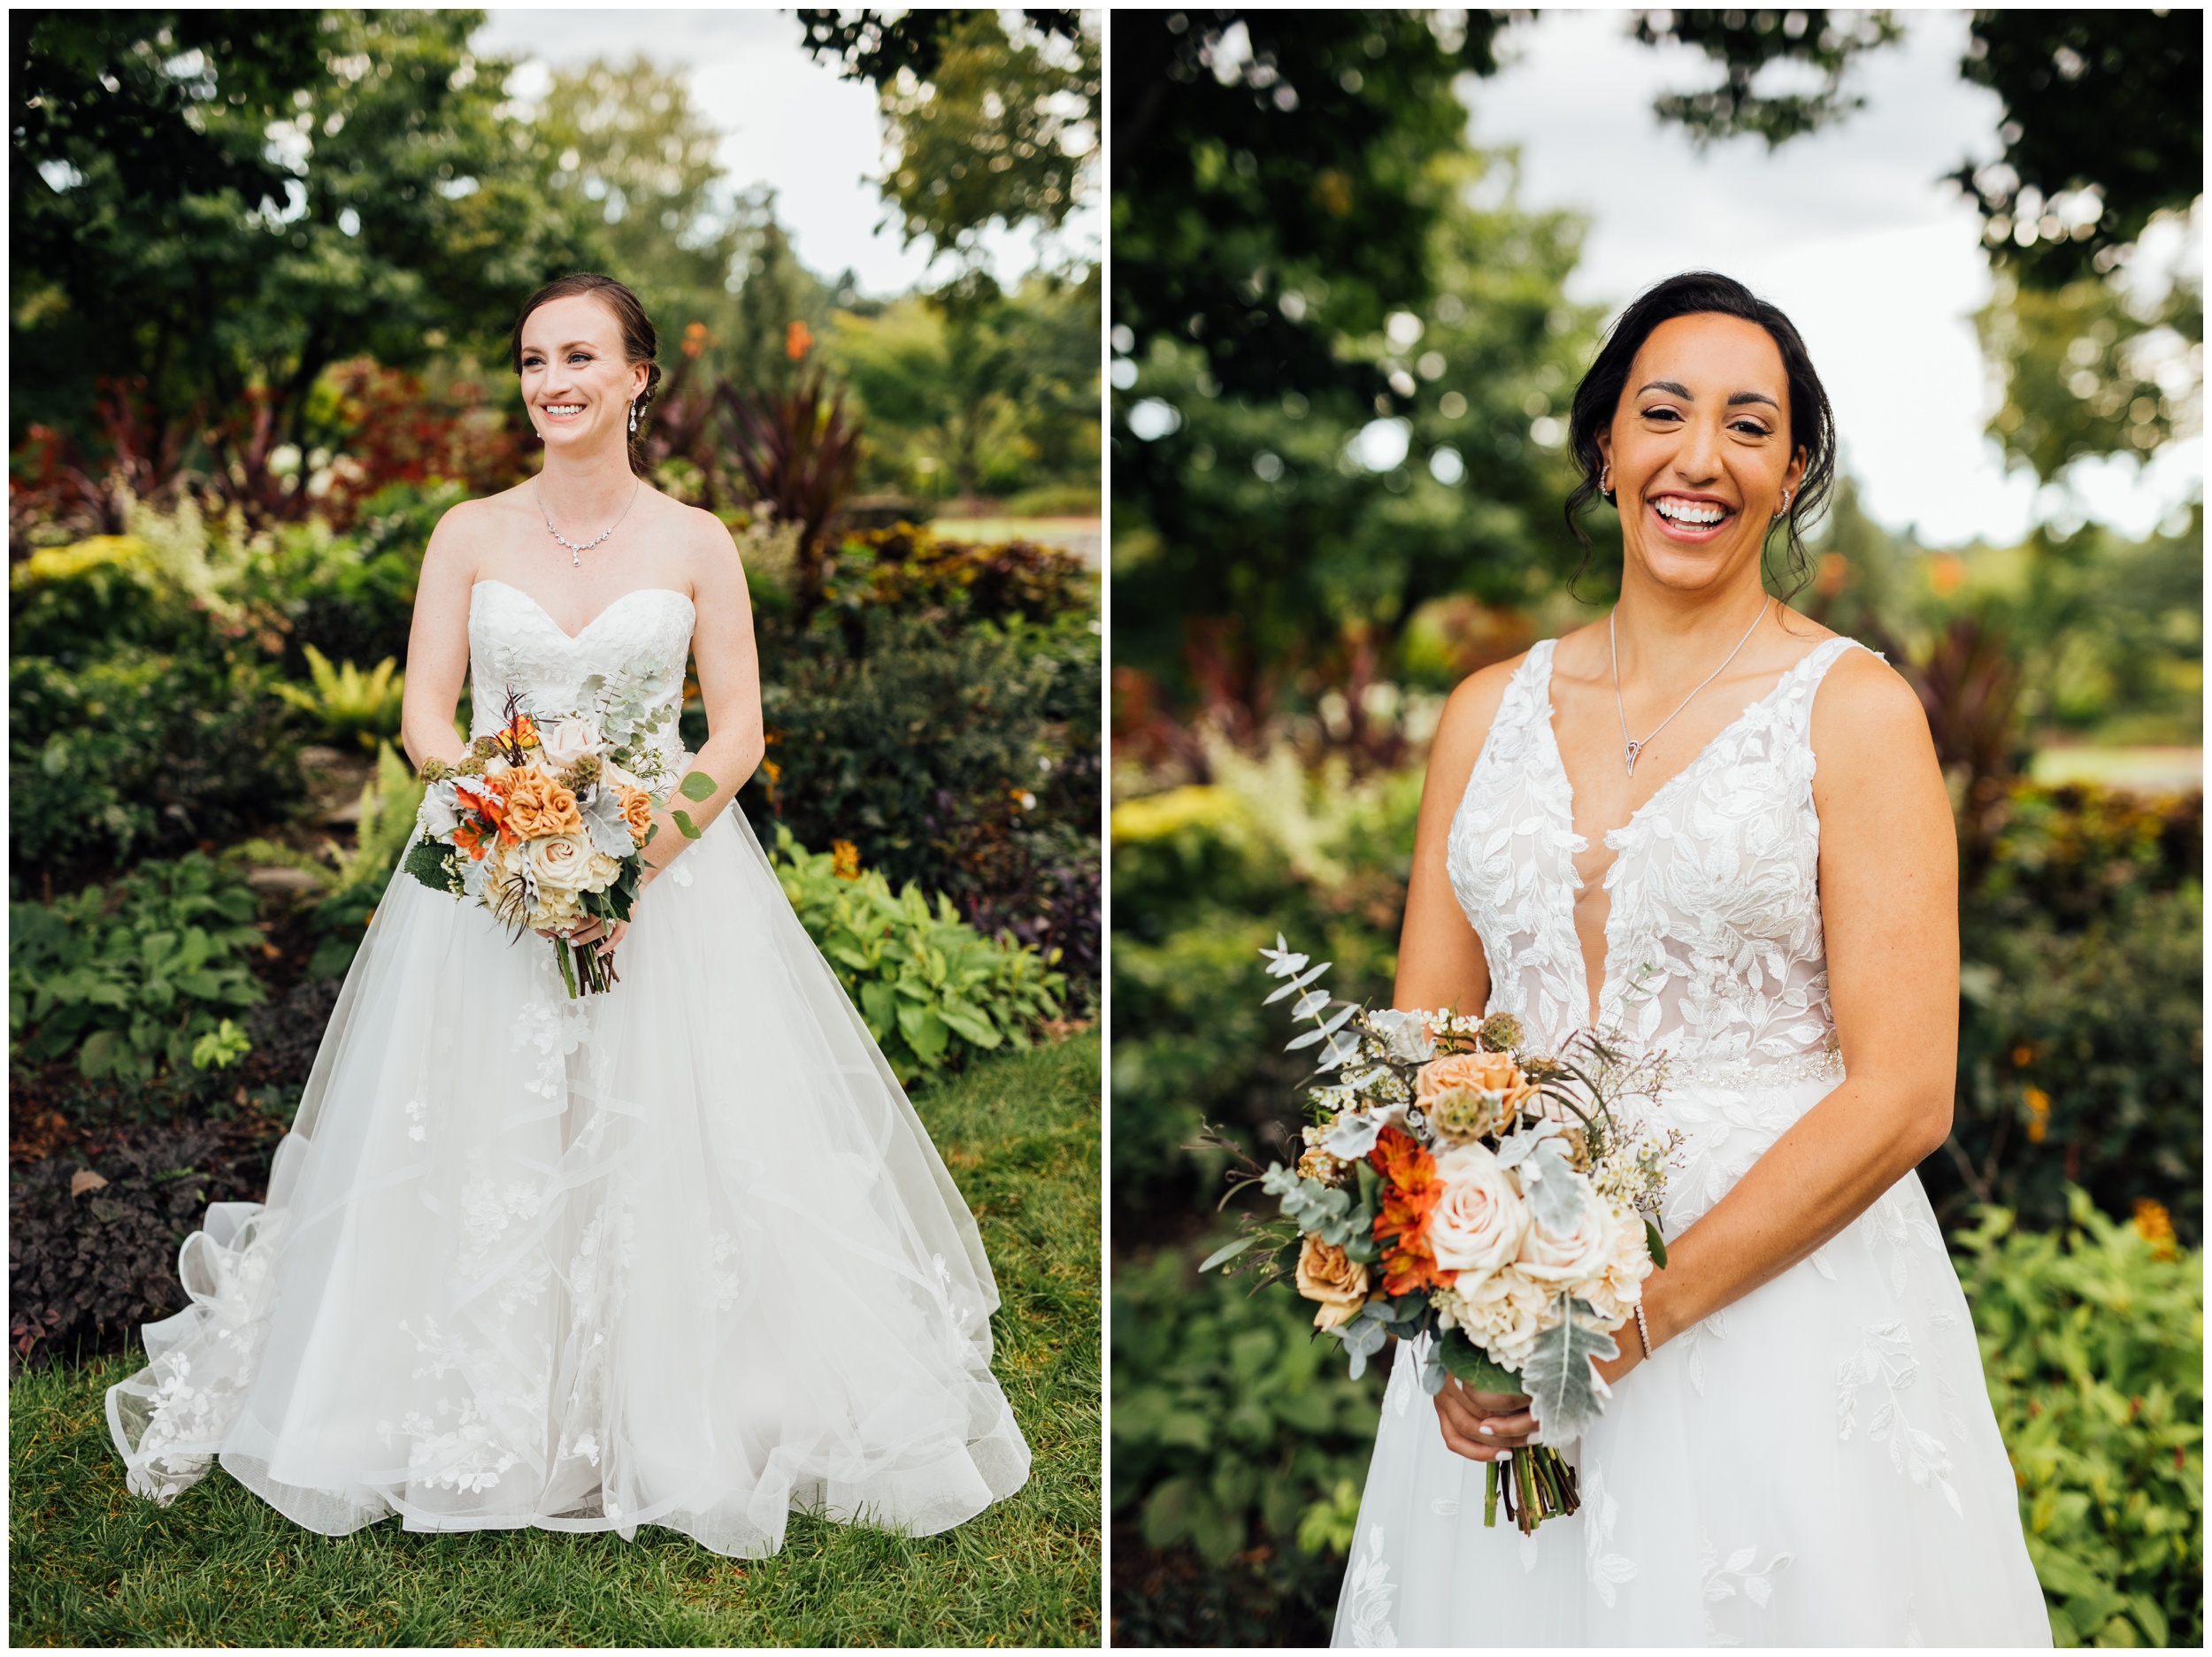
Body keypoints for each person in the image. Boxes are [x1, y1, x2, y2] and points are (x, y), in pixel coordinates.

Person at [107, 272, 1031, 1557]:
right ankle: (481, 1396)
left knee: (662, 1125)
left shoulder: (699, 542)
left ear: (639, 377)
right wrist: (513, 820)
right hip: (485, 872)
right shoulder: (468, 534)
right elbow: (427, 719)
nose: (554, 381)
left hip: (666, 878)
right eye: (536, 359)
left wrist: (631, 857)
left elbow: (741, 730)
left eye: (582, 356)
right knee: (486, 1126)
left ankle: (669, 1403)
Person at [1332, 272, 2048, 1646]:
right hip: (1511, 1309)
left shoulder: (1854, 712)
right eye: (1662, 413)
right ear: (1605, 447)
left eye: (1750, 426)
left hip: (1778, 1316)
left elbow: (1905, 1093)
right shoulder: (1485, 711)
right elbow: (1419, 1053)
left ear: (1792, 471)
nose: (1699, 458)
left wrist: (1626, 1323)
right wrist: (1451, 1325)